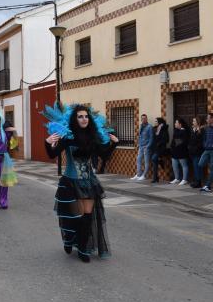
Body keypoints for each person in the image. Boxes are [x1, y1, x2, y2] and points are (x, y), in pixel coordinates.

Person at [43, 103, 118, 262]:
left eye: (86, 116)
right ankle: (69, 240)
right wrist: (47, 142)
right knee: (73, 216)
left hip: (88, 182)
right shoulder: (68, 138)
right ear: (74, 119)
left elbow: (104, 155)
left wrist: (114, 143)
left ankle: (83, 248)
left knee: (87, 215)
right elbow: (52, 154)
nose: (84, 119)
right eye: (80, 116)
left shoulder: (93, 137)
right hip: (71, 181)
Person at [131, 114, 154, 181]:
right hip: (141, 146)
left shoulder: (150, 127)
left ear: (147, 119)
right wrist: (138, 143)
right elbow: (140, 136)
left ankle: (144, 175)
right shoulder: (141, 126)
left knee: (146, 161)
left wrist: (148, 146)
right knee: (138, 160)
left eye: (144, 118)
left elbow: (151, 138)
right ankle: (138, 174)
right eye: (142, 118)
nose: (143, 119)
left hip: (146, 147)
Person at [170, 118, 189, 185]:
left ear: (180, 124)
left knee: (184, 165)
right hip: (175, 151)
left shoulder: (184, 131)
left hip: (182, 151)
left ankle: (184, 179)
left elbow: (183, 141)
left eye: (176, 123)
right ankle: (177, 178)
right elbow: (173, 140)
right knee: (174, 165)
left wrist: (175, 142)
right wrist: (173, 145)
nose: (175, 124)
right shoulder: (176, 131)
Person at [150, 117, 169, 183]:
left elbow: (166, 139)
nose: (155, 122)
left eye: (156, 121)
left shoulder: (164, 129)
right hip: (154, 148)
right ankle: (155, 178)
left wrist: (159, 143)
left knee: (153, 158)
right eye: (155, 121)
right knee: (155, 162)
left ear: (159, 123)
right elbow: (153, 138)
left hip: (161, 148)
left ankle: (160, 160)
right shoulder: (154, 129)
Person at [188, 117, 205, 188]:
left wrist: (195, 148)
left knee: (197, 167)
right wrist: (189, 147)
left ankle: (198, 182)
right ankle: (196, 181)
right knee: (195, 167)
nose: (193, 122)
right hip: (192, 151)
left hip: (198, 151)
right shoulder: (192, 130)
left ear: (198, 122)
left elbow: (201, 142)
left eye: (194, 121)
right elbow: (191, 140)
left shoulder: (202, 130)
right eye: (193, 121)